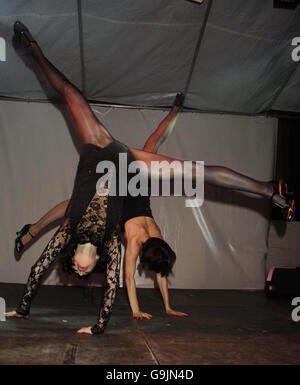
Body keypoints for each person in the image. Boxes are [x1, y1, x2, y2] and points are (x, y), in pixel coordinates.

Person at [6, 21, 295, 335]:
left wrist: (30, 237)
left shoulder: (72, 233)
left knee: (70, 93)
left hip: (98, 150)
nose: (80, 270)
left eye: (76, 268)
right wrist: (101, 326)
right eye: (84, 272)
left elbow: (43, 259)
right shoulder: (116, 245)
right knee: (193, 170)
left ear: (72, 260)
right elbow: (118, 284)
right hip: (121, 161)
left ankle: (31, 49)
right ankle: (269, 189)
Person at [15, 93, 189, 320]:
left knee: (151, 143)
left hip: (137, 187)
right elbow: (128, 279)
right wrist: (139, 310)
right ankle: (34, 229)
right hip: (124, 189)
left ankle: (175, 110)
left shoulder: (157, 238)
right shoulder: (137, 241)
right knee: (75, 204)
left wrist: (167, 306)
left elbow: (160, 271)